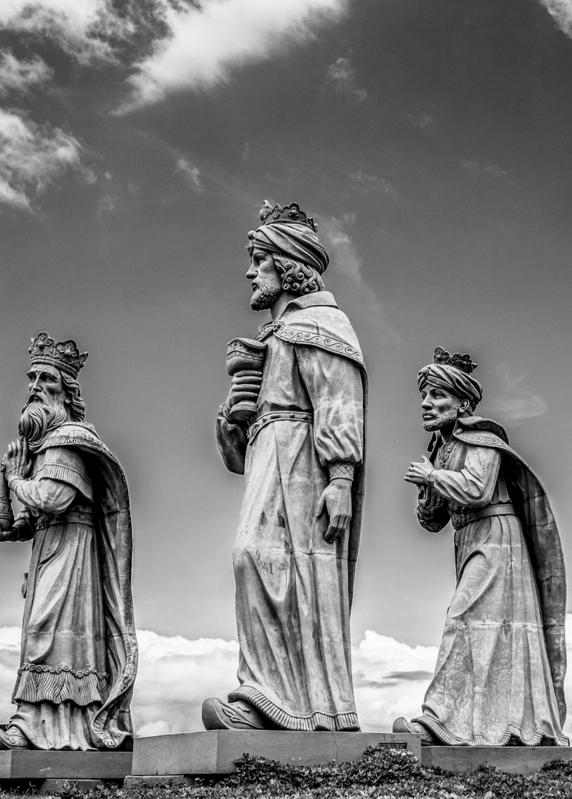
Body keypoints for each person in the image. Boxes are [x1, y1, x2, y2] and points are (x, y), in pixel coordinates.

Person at [206, 201, 367, 732]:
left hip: (302, 460)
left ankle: (289, 702)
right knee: (252, 560)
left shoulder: (321, 325)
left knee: (268, 561)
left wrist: (341, 478)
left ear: (288, 264)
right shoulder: (271, 337)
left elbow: (338, 401)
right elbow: (236, 455)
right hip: (266, 456)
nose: (251, 272)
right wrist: (233, 415)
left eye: (259, 260)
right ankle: (268, 696)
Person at [395, 347, 568, 746]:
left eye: (437, 395)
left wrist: (433, 476)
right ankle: (489, 725)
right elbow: (432, 521)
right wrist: (428, 488)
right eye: (424, 395)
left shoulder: (482, 440)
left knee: (463, 618)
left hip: (497, 538)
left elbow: (477, 489)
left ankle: (439, 718)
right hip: (469, 536)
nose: (426, 403)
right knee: (486, 630)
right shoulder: (442, 450)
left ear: (463, 403)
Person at [0, 332, 136, 751]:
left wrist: (16, 479)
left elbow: (54, 498)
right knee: (46, 638)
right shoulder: (43, 446)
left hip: (72, 553)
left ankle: (40, 727)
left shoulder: (69, 439)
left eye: (45, 378)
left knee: (49, 636)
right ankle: (41, 728)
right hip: (49, 548)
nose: (34, 386)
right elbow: (35, 516)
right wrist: (11, 525)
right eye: (31, 378)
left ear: (66, 392)